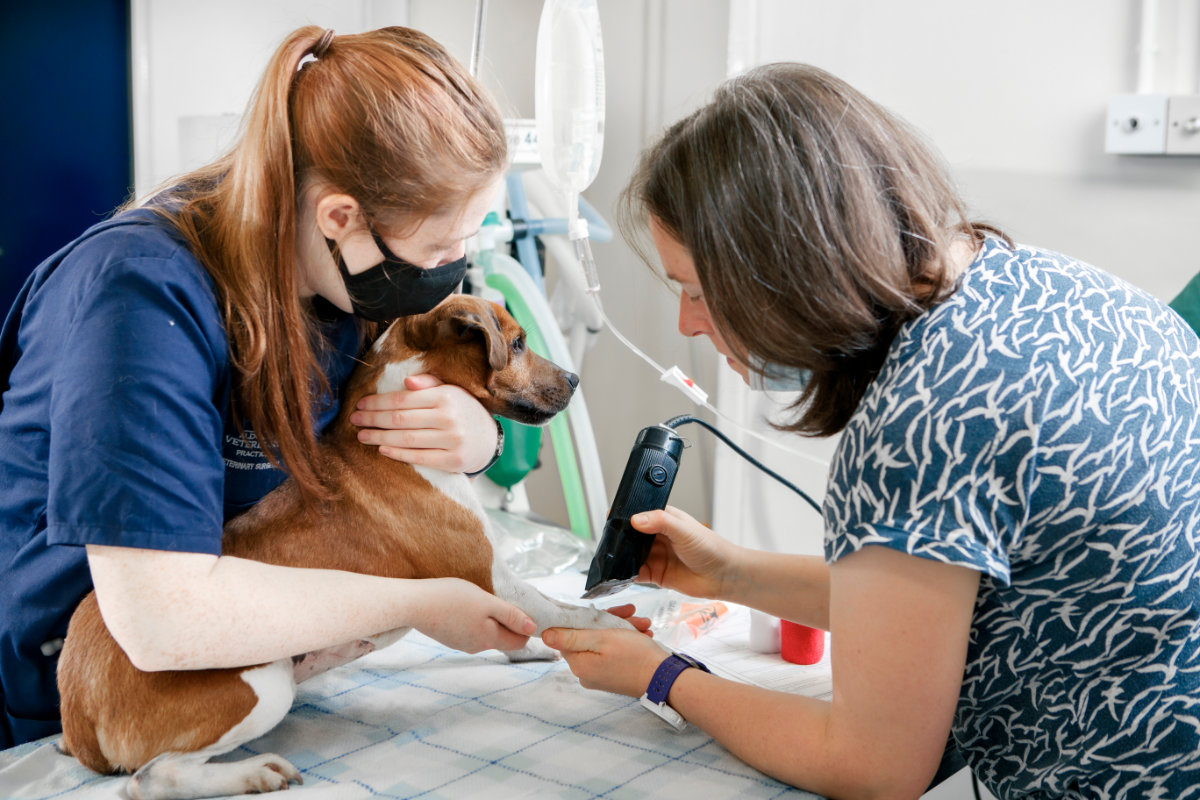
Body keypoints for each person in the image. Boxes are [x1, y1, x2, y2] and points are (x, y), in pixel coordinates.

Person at [543, 62, 1200, 799]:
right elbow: (934, 599)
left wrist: (663, 677)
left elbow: (874, 767)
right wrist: (729, 571)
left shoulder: (920, 424)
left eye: (697, 291)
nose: (688, 324)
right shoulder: (1063, 289)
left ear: (782, 267)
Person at [0, 26, 539, 750]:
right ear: (340, 217)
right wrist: (427, 602)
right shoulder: (137, 300)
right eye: (441, 249)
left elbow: (368, 439)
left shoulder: (339, 281)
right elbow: (164, 618)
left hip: (243, 662)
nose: (453, 269)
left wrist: (475, 437)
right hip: (88, 702)